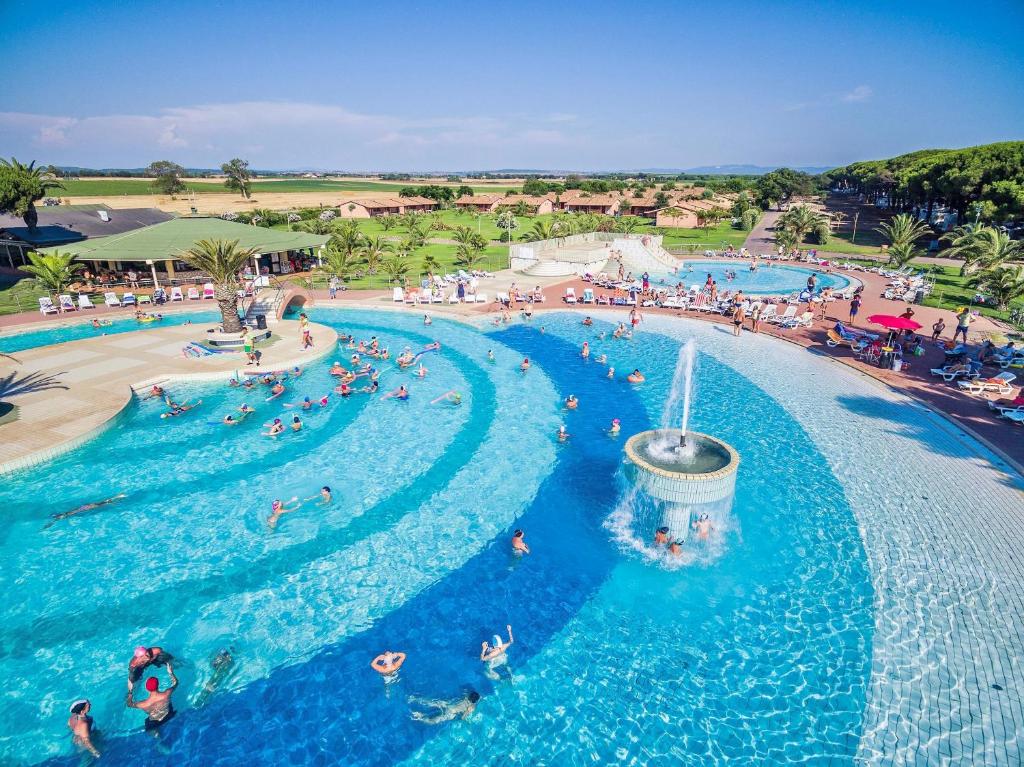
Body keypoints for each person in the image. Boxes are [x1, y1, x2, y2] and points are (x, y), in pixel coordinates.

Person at [126, 665, 178, 733]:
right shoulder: (166, 694)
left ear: (146, 688)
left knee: (148, 724)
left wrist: (130, 691)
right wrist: (171, 672)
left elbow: (129, 704)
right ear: (158, 685)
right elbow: (176, 683)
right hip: (168, 715)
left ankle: (157, 737)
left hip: (154, 723)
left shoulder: (143, 704)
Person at [44, 493, 127, 528]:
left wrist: (47, 526)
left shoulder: (66, 515)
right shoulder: (66, 513)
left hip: (86, 508)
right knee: (103, 503)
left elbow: (53, 522)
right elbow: (53, 520)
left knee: (104, 503)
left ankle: (118, 497)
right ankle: (118, 497)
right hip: (84, 507)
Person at [409, 690, 480, 724]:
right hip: (452, 713)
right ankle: (419, 717)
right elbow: (462, 717)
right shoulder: (472, 707)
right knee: (433, 721)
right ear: (475, 701)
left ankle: (414, 699)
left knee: (432, 702)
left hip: (448, 705)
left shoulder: (465, 696)